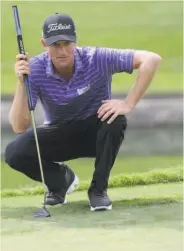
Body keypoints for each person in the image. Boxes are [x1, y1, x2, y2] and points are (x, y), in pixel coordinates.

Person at [5, 13, 162, 211]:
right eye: (55, 45)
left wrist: (128, 104)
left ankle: (98, 190)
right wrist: (22, 82)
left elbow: (151, 60)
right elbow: (19, 126)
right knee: (14, 152)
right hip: (60, 135)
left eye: (67, 43)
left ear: (75, 41)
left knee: (116, 119)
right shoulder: (35, 69)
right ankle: (60, 182)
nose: (62, 51)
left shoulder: (95, 58)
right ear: (44, 44)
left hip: (96, 134)